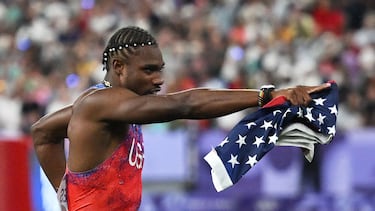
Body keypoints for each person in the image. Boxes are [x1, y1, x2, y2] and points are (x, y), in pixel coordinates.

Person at [31, 26, 331, 211]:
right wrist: (268, 96)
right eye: (149, 70)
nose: (159, 79)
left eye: (160, 69)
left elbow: (43, 132)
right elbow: (186, 104)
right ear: (119, 67)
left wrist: (67, 195)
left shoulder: (97, 106)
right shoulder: (101, 103)